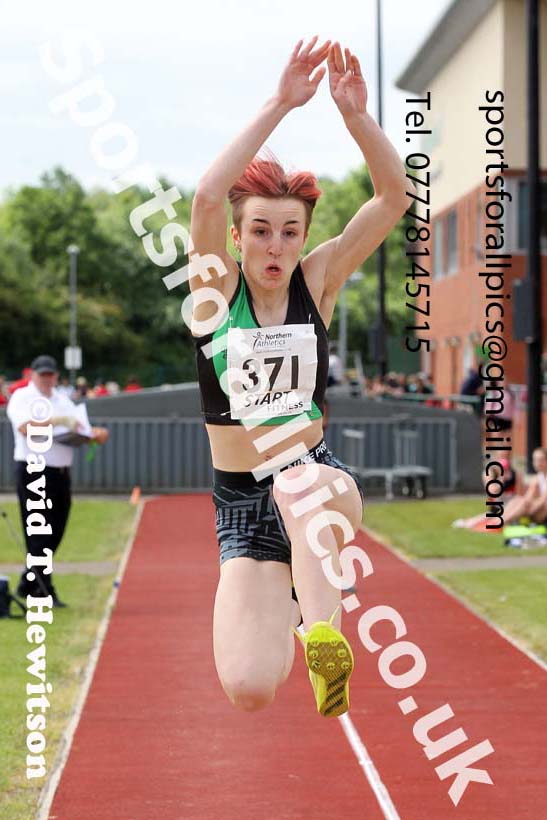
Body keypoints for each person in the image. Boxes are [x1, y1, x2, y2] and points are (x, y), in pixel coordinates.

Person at [190, 37, 413, 716]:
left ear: (303, 237)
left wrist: (357, 119)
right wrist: (281, 103)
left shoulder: (317, 283)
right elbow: (206, 196)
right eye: (260, 230)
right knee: (250, 689)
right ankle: (292, 602)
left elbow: (393, 198)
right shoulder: (214, 295)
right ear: (236, 238)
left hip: (318, 482)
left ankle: (323, 634)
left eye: (290, 232)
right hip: (241, 505)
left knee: (297, 483)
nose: (275, 246)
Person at [6, 355, 109, 607]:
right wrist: (57, 422)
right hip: (34, 470)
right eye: (42, 374)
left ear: (56, 376)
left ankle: (28, 582)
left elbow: (79, 427)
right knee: (39, 533)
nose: (46, 379)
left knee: (56, 530)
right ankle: (42, 590)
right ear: (33, 375)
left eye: (50, 374)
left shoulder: (63, 400)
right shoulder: (22, 397)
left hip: (60, 472)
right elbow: (25, 428)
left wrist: (93, 434)